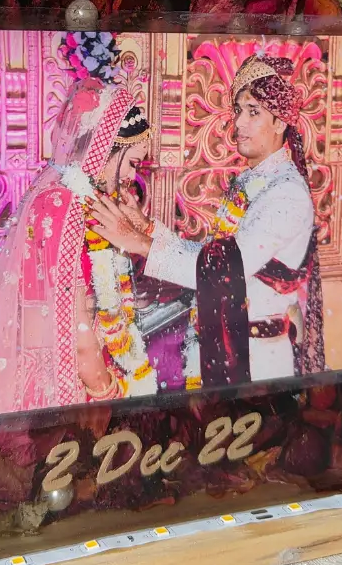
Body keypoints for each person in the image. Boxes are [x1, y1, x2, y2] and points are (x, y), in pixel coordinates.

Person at [89, 55, 325, 387]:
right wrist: (146, 228)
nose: (238, 122)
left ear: (280, 122)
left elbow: (224, 270)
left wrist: (138, 242)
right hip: (228, 346)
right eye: (238, 110)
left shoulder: (285, 194)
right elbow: (212, 256)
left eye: (253, 112)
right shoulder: (253, 180)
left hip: (256, 362)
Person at [0, 78, 155, 424]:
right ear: (104, 149)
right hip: (61, 382)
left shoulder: (74, 202)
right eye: (131, 163)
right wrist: (109, 395)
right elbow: (74, 329)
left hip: (78, 368)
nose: (132, 176)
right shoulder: (63, 206)